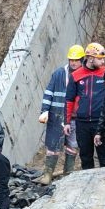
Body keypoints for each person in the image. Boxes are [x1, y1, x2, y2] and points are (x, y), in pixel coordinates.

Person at [38, 45, 85, 185]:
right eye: (71, 60)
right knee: (53, 145)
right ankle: (48, 173)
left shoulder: (84, 75)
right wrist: (45, 110)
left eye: (76, 60)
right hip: (57, 115)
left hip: (75, 117)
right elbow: (49, 92)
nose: (73, 62)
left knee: (72, 145)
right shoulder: (59, 74)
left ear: (82, 60)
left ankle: (68, 173)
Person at [65, 42, 105, 170]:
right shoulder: (76, 75)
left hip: (100, 122)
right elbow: (69, 100)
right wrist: (67, 122)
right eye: (99, 58)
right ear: (90, 58)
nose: (102, 61)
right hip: (82, 123)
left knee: (104, 156)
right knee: (85, 156)